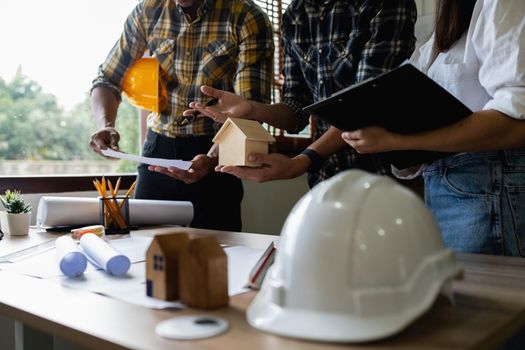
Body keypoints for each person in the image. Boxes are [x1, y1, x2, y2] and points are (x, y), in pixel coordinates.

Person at [341, 0, 525, 256]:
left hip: (487, 193)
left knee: (481, 292)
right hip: (445, 193)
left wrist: (397, 142)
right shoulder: (435, 42)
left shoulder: (500, 4)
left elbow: (517, 123)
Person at [187, 0, 417, 188]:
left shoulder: (384, 5)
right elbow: (296, 110)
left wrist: (302, 161)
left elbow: (364, 103)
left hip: (385, 176)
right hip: (326, 179)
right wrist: (254, 110)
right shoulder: (295, 15)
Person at [89, 0, 274, 231]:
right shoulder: (149, 10)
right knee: (146, 250)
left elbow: (250, 111)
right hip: (158, 150)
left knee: (216, 254)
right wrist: (106, 125)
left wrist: (213, 158)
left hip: (217, 153)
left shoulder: (246, 16)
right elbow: (108, 79)